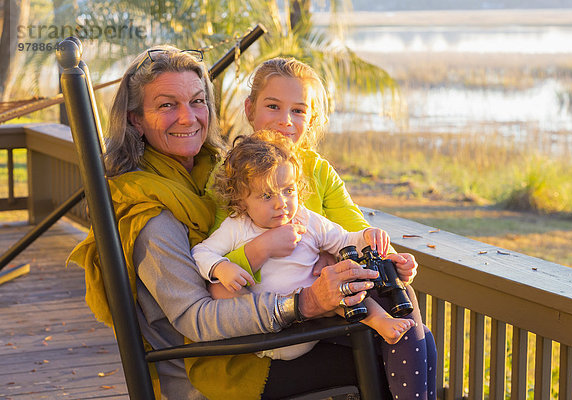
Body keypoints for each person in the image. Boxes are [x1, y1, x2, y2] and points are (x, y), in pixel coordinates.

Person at [66, 45, 417, 400]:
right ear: (135, 119)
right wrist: (303, 303)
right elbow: (197, 318)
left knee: (397, 323)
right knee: (380, 351)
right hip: (221, 366)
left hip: (262, 336)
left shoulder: (218, 174)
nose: (188, 118)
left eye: (198, 101)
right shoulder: (152, 214)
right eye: (167, 104)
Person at [233, 57, 438, 399]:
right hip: (278, 314)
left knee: (404, 311)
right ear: (250, 109)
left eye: (298, 111)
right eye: (273, 106)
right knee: (415, 339)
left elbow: (356, 230)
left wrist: (386, 254)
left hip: (335, 305)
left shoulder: (317, 170)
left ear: (311, 119)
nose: (285, 121)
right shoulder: (233, 172)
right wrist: (266, 247)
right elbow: (216, 257)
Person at [192, 130, 415, 361]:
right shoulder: (237, 227)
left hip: (314, 319)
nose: (282, 204)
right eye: (267, 196)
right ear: (241, 199)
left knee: (346, 290)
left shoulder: (306, 220)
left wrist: (367, 235)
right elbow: (201, 252)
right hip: (264, 331)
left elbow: (344, 240)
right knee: (219, 289)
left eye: (288, 191)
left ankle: (381, 321)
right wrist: (220, 267)